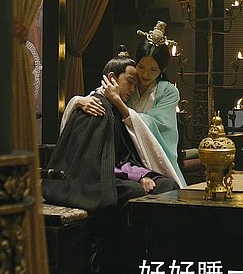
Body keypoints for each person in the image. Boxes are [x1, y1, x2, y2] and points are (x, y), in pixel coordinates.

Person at [42, 49, 178, 212]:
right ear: (112, 78)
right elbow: (92, 162)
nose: (132, 89)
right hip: (88, 180)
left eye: (135, 85)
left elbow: (123, 156)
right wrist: (138, 178)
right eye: (130, 82)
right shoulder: (95, 106)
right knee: (135, 191)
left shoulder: (117, 108)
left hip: (115, 171)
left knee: (167, 185)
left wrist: (142, 174)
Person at [62, 21, 187, 188]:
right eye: (141, 67)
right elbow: (101, 94)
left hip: (149, 152)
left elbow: (158, 126)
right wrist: (78, 100)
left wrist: (118, 102)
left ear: (162, 70)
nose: (145, 74)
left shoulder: (168, 91)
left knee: (168, 186)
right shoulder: (128, 82)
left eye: (153, 70)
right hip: (121, 153)